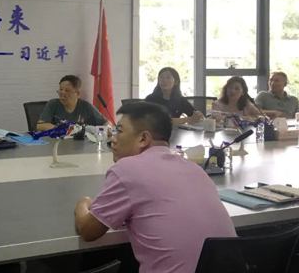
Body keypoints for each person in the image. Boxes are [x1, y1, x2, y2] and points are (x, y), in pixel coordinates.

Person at [74, 102, 236, 273]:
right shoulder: (194, 168)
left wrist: (83, 204)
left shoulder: (127, 169)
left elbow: (88, 231)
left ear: (143, 139)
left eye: (119, 131)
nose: (113, 139)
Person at [37, 75, 110, 132]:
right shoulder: (53, 104)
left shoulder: (86, 106)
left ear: (77, 93)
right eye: (61, 90)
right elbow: (40, 125)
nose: (62, 93)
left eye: (67, 91)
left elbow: (106, 122)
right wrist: (65, 129)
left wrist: (107, 128)